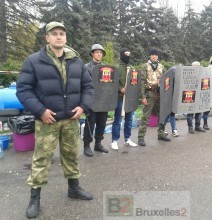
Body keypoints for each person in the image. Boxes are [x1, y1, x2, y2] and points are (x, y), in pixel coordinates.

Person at [16, 21, 94, 219]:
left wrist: (83, 106)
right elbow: (24, 90)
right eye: (54, 34)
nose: (59, 37)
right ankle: (35, 198)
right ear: (47, 38)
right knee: (42, 159)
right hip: (47, 121)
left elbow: (88, 86)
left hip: (71, 120)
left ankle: (74, 188)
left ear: (66, 37)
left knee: (71, 155)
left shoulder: (76, 61)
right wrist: (40, 111)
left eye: (62, 33)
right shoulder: (34, 61)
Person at [137, 48, 171, 146]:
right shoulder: (145, 66)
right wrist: (143, 96)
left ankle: (161, 133)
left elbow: (166, 80)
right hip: (150, 92)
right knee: (145, 116)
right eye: (153, 54)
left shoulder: (161, 67)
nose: (154, 56)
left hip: (160, 93)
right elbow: (142, 81)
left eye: (156, 55)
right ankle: (141, 137)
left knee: (161, 115)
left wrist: (166, 94)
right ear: (150, 56)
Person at [82, 43, 109, 156]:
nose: (99, 54)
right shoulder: (86, 67)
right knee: (90, 124)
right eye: (97, 52)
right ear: (92, 54)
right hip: (91, 100)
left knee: (102, 123)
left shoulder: (106, 68)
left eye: (101, 52)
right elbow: (83, 84)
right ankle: (86, 146)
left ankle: (98, 144)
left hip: (103, 101)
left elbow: (109, 84)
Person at [110, 48, 138, 150]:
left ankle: (127, 139)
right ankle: (114, 140)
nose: (128, 56)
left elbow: (134, 82)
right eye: (126, 54)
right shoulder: (117, 68)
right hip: (119, 98)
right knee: (118, 119)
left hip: (129, 99)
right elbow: (112, 82)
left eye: (129, 55)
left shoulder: (132, 69)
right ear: (122, 55)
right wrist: (120, 89)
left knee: (129, 120)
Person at [187, 61, 205, 133]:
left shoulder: (202, 74)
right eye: (196, 66)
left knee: (199, 111)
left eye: (198, 66)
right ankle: (190, 127)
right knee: (190, 112)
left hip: (199, 94)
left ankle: (197, 126)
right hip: (191, 94)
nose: (197, 68)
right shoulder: (189, 74)